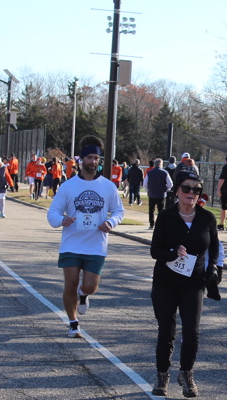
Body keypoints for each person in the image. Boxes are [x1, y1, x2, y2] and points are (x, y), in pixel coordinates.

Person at [149, 173, 219, 397]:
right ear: (177, 191)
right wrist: (172, 252)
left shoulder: (207, 218)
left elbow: (214, 247)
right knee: (166, 331)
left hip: (194, 283)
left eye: (196, 190)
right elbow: (155, 251)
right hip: (166, 282)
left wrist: (213, 268)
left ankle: (187, 373)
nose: (191, 193)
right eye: (187, 188)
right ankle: (162, 375)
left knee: (192, 331)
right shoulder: (166, 217)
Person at [46, 136, 124, 338]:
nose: (93, 161)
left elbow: (119, 211)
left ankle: (83, 295)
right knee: (70, 282)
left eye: (96, 158)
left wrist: (111, 222)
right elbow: (53, 213)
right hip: (71, 244)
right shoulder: (68, 186)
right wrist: (62, 220)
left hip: (96, 245)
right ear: (81, 159)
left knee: (90, 286)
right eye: (89, 157)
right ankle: (73, 323)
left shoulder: (108, 186)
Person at [143, 158, 172, 229]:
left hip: (152, 193)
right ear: (161, 164)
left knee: (151, 209)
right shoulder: (165, 172)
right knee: (161, 210)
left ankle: (151, 224)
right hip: (161, 194)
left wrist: (148, 190)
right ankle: (160, 224)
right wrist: (166, 189)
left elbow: (145, 184)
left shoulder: (149, 172)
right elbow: (170, 184)